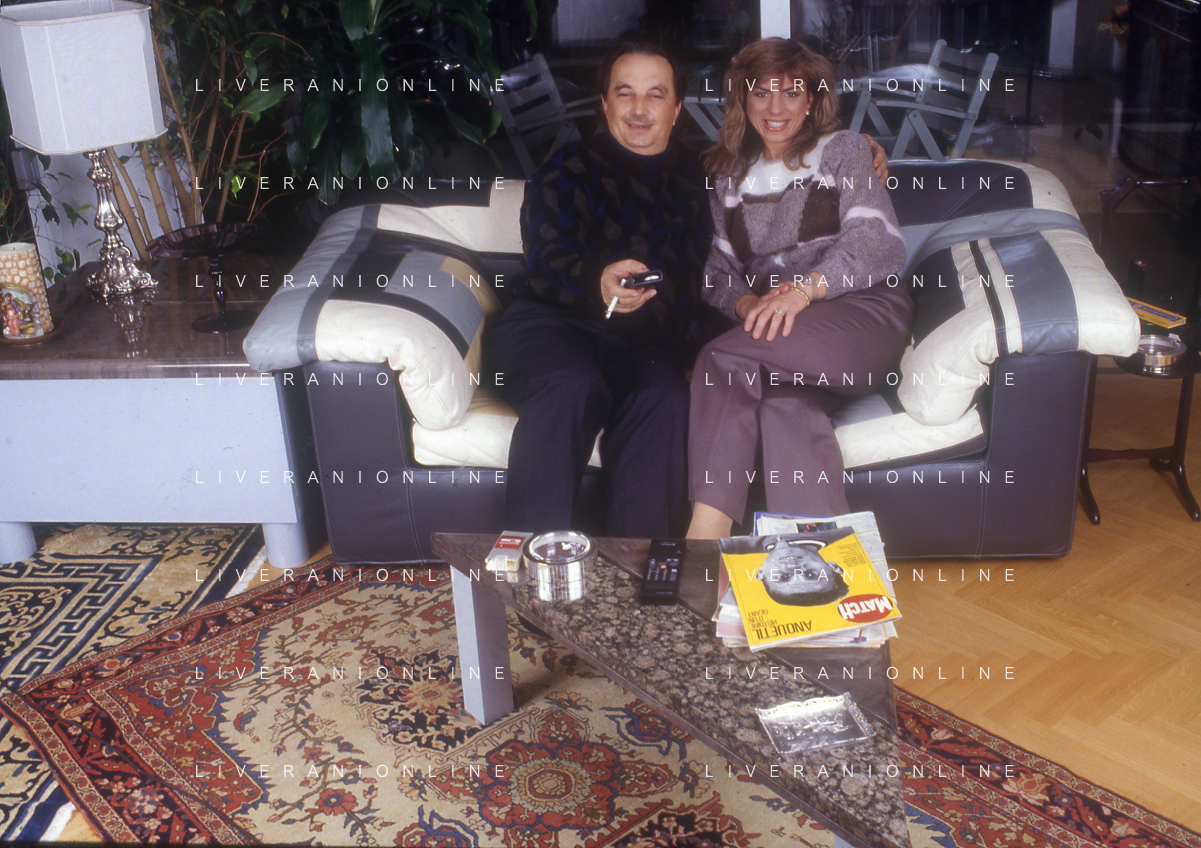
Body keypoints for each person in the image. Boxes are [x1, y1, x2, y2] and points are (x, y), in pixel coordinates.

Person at [687, 38, 912, 539]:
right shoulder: (726, 177)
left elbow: (877, 243)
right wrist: (749, 302)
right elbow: (715, 272)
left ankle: (701, 547)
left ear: (811, 100)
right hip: (786, 335)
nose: (776, 108)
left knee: (721, 359)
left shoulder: (844, 150)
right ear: (742, 99)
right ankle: (821, 567)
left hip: (863, 315)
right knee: (784, 409)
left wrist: (803, 290)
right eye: (761, 93)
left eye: (791, 93)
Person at [485, 38, 710, 537]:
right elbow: (546, 251)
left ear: (677, 109)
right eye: (625, 93)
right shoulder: (568, 166)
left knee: (666, 398)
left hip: (641, 346)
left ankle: (638, 570)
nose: (639, 109)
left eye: (655, 95)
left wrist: (863, 151)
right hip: (550, 327)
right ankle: (537, 566)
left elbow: (780, 151)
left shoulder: (698, 176)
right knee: (573, 383)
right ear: (605, 104)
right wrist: (597, 278)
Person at [756, 536, 849, 607]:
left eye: (784, 576)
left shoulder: (748, 545)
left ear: (761, 573)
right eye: (810, 574)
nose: (793, 566)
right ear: (833, 567)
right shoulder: (843, 535)